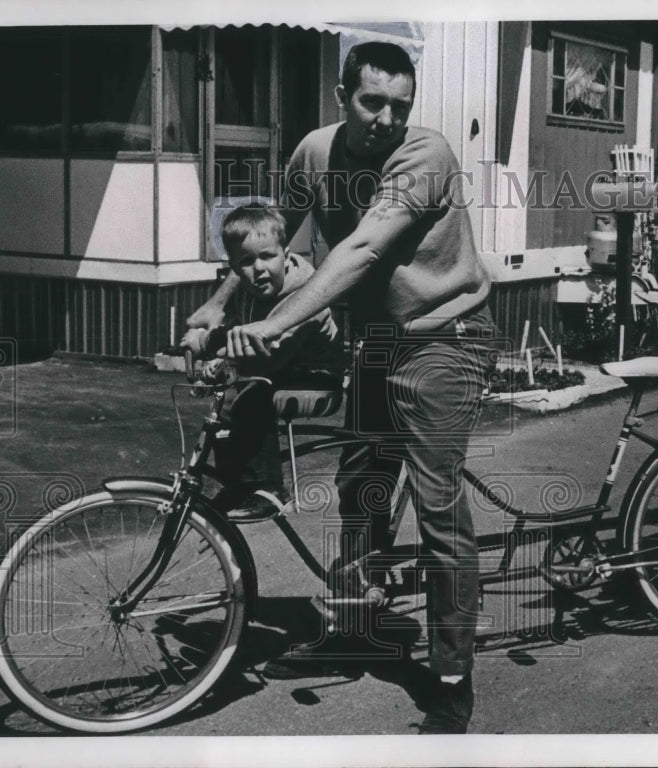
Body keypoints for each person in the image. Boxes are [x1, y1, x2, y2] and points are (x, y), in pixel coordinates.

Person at [186, 41, 497, 734]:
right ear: (340, 95)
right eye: (372, 101)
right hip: (378, 342)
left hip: (446, 334)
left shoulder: (426, 154)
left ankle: (451, 672)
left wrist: (272, 324)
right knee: (363, 494)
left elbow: (360, 249)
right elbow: (275, 237)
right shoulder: (314, 152)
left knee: (439, 507)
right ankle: (355, 624)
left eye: (400, 104)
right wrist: (217, 302)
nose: (388, 117)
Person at [181, 204, 344, 522]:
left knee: (252, 395)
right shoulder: (247, 290)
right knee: (223, 412)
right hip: (277, 370)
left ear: (285, 252)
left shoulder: (304, 293)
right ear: (234, 267)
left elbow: (266, 350)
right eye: (246, 261)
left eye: (267, 256)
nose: (258, 269)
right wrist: (217, 356)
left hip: (316, 376)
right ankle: (238, 485)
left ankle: (270, 489)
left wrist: (206, 345)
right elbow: (234, 329)